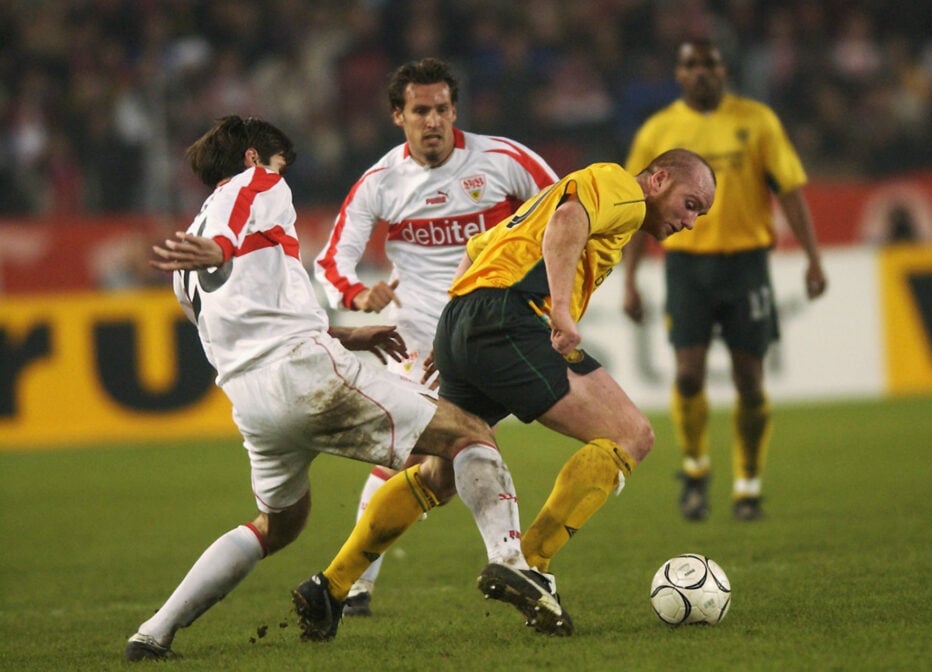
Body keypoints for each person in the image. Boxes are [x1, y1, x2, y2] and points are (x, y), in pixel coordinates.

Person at [123, 115, 566, 662]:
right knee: (467, 432)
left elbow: (246, 321)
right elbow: (231, 233)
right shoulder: (255, 185)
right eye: (279, 163)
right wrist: (220, 249)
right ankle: (511, 563)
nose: (283, 174)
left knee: (278, 525)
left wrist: (345, 333)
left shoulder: (181, 267)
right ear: (254, 158)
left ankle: (155, 631)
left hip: (251, 399)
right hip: (304, 374)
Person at [314, 57, 558, 616]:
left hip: (498, 326)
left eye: (442, 109)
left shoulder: (504, 160)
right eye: (420, 110)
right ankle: (509, 565)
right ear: (397, 116)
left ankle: (350, 583)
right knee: (442, 448)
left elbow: (566, 213)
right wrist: (356, 295)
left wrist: (549, 292)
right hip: (419, 341)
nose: (433, 121)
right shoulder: (381, 182)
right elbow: (333, 261)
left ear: (455, 111)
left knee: (434, 463)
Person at [431, 149, 716, 599]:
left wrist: (452, 322)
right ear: (659, 180)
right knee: (633, 434)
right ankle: (529, 564)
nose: (690, 223)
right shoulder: (624, 191)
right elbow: (568, 220)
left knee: (439, 470)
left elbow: (476, 249)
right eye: (692, 204)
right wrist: (561, 308)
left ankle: (332, 584)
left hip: (466, 314)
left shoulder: (546, 201)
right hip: (512, 314)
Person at [621, 39, 827, 522]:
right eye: (691, 64)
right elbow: (636, 206)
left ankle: (748, 482)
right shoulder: (659, 130)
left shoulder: (757, 120)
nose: (701, 73)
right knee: (688, 373)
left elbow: (790, 193)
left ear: (723, 69)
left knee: (750, 381)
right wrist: (629, 280)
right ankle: (695, 470)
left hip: (746, 264)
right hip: (687, 267)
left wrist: (814, 260)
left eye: (709, 64)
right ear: (679, 73)